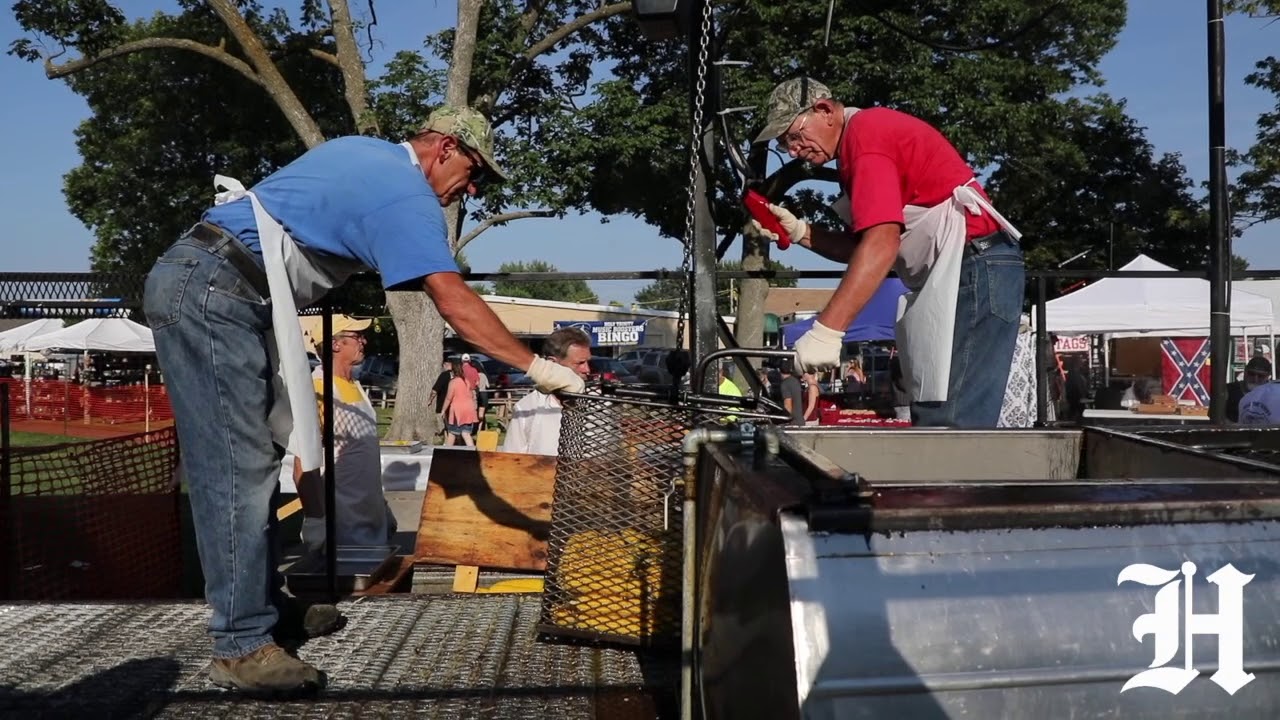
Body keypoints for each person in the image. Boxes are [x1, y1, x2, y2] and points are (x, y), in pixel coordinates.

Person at [142, 103, 584, 694]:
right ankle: (241, 643)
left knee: (256, 463)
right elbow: (451, 300)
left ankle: (263, 607)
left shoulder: (365, 154)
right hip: (214, 292)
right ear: (444, 148)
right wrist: (539, 367)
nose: (471, 188)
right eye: (474, 171)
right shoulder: (407, 193)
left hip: (218, 285)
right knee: (235, 469)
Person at [750, 78, 1024, 429]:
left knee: (951, 420)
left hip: (975, 266)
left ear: (824, 111)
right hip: (967, 268)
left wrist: (827, 330)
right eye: (784, 143)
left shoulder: (866, 136)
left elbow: (881, 244)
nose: (792, 150)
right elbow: (868, 246)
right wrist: (802, 233)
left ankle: (950, 486)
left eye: (794, 135)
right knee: (934, 410)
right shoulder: (860, 143)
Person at [293, 315, 396, 550]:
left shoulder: (354, 385)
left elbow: (363, 459)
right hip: (340, 527)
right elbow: (303, 466)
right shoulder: (319, 390)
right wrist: (316, 524)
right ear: (335, 344)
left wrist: (383, 508)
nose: (364, 342)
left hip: (370, 523)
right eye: (357, 336)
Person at [501, 327, 592, 456]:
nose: (587, 369)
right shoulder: (527, 408)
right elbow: (512, 460)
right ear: (552, 363)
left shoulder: (599, 404)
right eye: (580, 363)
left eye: (588, 362)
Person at [441, 357, 479, 447]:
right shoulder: (466, 381)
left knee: (452, 433)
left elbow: (448, 398)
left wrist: (443, 409)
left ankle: (447, 452)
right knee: (466, 433)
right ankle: (472, 452)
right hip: (469, 409)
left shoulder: (453, 382)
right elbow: (471, 394)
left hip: (457, 410)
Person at [1228, 355, 1272, 423]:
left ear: (1268, 377)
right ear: (1245, 371)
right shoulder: (1229, 391)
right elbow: (1216, 417)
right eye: (1251, 374)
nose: (1255, 379)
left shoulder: (1273, 394)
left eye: (1260, 376)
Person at [778, 360, 806, 426]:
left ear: (780, 371)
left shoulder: (785, 384)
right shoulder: (795, 381)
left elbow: (788, 406)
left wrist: (785, 422)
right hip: (800, 420)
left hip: (792, 423)